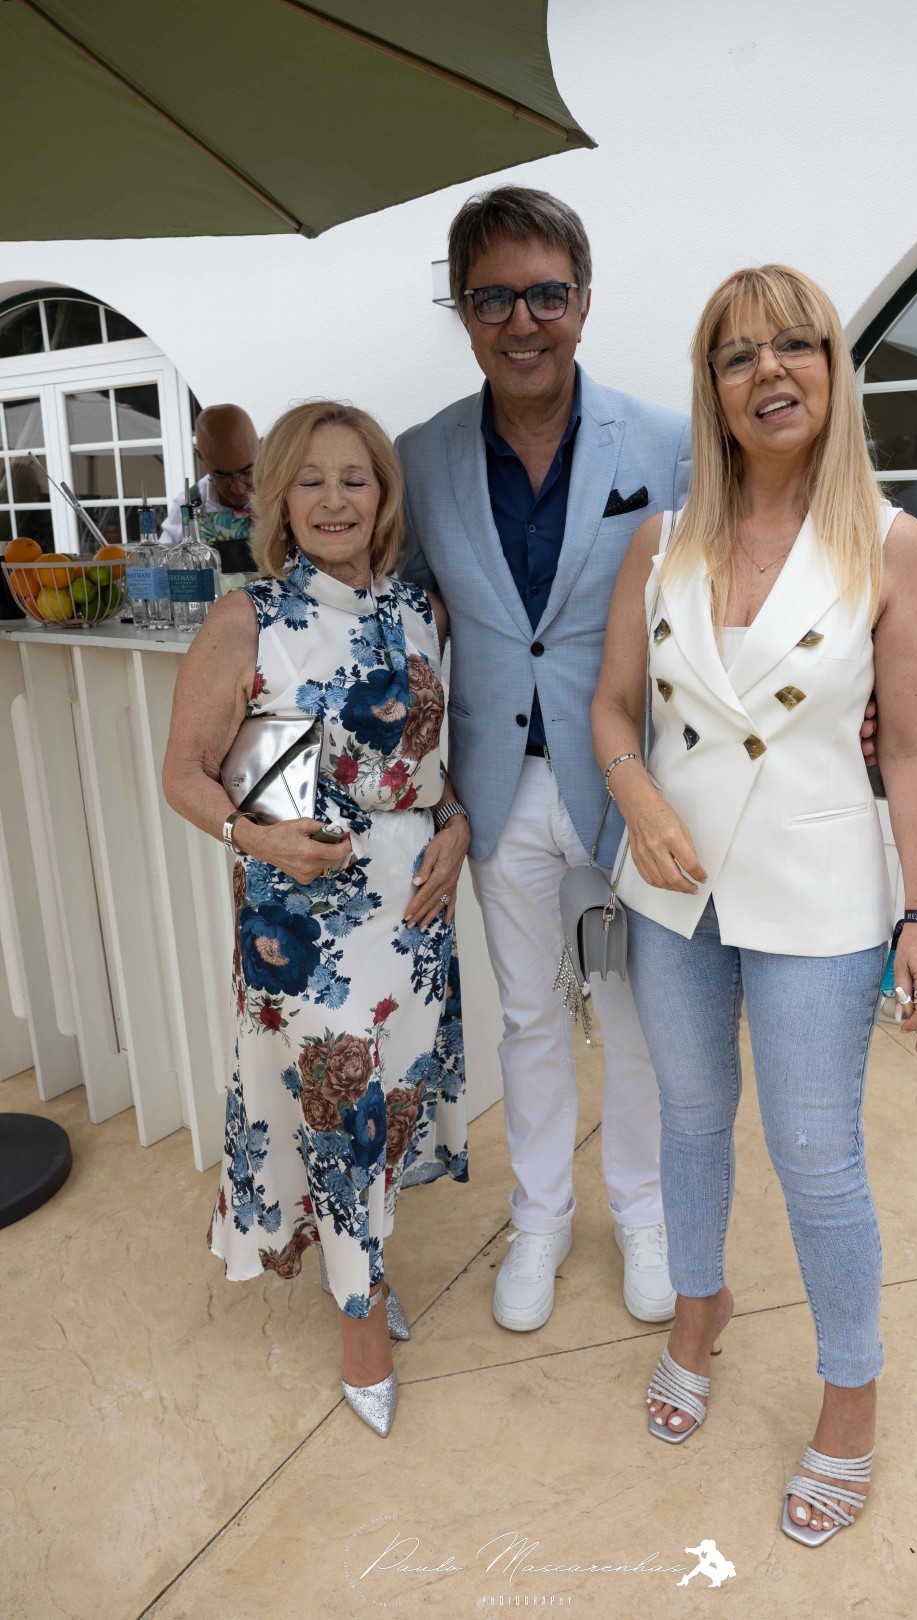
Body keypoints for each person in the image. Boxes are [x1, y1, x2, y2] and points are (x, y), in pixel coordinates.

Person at [592, 265, 917, 1545]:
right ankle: (701, 1310)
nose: (770, 372)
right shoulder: (662, 541)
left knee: (815, 1154)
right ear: (713, 388)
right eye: (739, 354)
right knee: (691, 1117)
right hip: (675, 890)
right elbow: (612, 707)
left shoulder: (891, 544)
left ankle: (850, 1395)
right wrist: (636, 795)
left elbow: (912, 746)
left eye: (796, 345)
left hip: (818, 892)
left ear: (834, 369)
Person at [396, 186, 691, 1333]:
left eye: (546, 294)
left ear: (584, 299)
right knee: (527, 1014)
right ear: (464, 313)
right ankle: (541, 1219)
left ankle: (645, 1213)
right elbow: (402, 633)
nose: (522, 322)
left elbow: (719, 603)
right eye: (493, 299)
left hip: (629, 778)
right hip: (493, 788)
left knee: (637, 1017)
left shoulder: (663, 442)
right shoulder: (421, 457)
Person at [162, 400, 469, 1439]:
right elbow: (185, 773)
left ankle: (364, 1265)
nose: (335, 500)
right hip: (301, 925)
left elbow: (432, 768)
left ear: (384, 496)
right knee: (338, 1113)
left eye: (355, 479)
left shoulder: (423, 611)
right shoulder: (245, 618)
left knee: (386, 1113)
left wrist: (458, 828)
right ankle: (361, 1321)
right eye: (311, 480)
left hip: (412, 913)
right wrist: (257, 841)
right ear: (278, 499)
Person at [161, 404, 260, 574]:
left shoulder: (285, 497)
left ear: (262, 447)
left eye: (247, 471)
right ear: (201, 458)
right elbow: (162, 567)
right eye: (222, 475)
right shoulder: (188, 507)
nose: (238, 488)